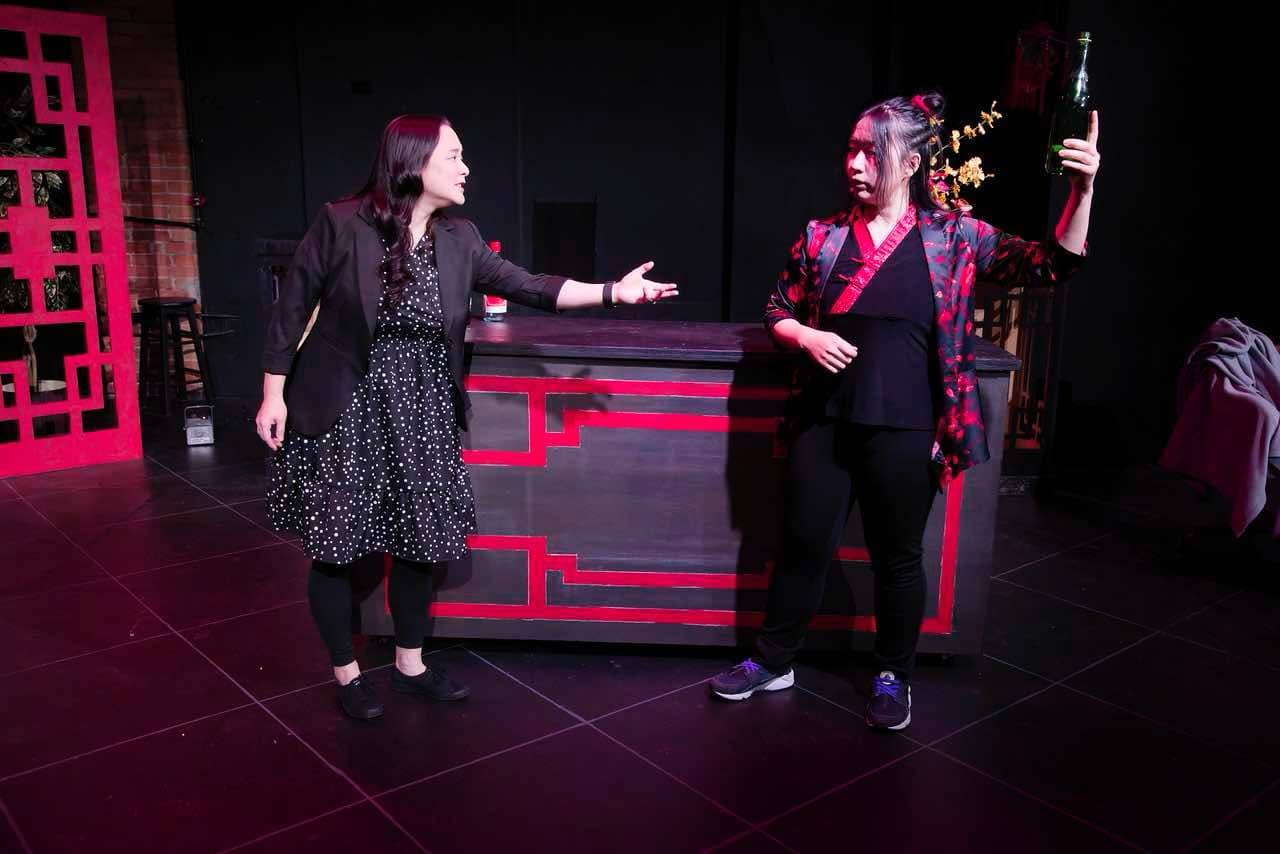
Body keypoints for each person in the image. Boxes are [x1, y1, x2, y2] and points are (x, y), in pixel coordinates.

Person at [256, 115, 678, 719]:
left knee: (421, 544)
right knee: (337, 547)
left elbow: (532, 286)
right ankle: (347, 675)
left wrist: (614, 291)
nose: (465, 169)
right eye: (453, 156)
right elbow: (291, 310)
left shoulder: (460, 237)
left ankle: (410, 665)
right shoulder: (342, 222)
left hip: (424, 410)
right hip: (349, 407)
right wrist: (273, 394)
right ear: (413, 161)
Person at [708, 92, 1099, 731]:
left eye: (872, 152)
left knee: (897, 557)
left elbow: (1050, 265)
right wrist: (804, 336)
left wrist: (1081, 193)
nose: (855, 164)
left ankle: (893, 673)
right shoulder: (823, 237)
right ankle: (773, 660)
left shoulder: (954, 237)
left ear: (913, 162)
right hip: (824, 420)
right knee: (802, 545)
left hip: (909, 427)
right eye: (852, 150)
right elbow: (777, 308)